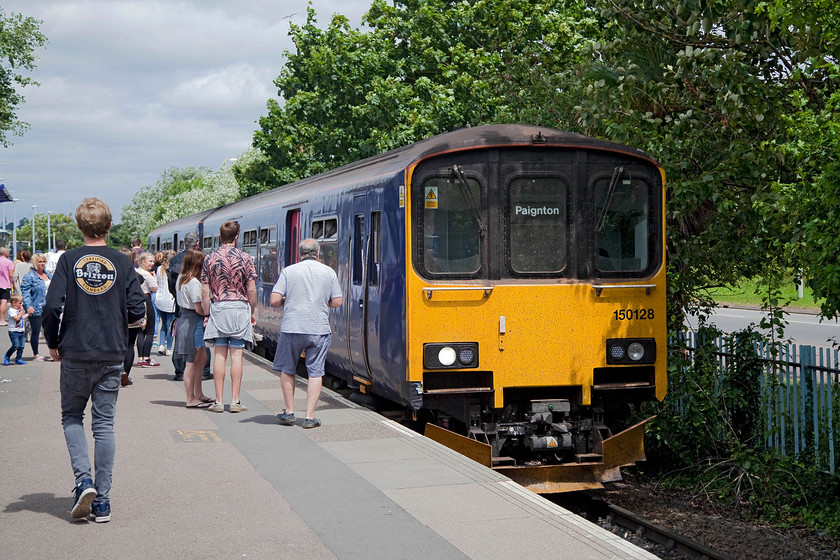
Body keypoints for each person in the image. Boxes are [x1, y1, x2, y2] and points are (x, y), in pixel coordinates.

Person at [43, 197, 146, 523]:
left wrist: (53, 342)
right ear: (109, 225)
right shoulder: (122, 261)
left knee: (72, 417)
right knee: (103, 426)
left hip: (75, 351)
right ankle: (102, 502)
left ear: (79, 227)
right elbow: (137, 309)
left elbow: (50, 307)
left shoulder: (69, 260)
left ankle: (83, 480)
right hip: (112, 353)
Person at [271, 238, 342, 428]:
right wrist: (321, 302)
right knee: (315, 372)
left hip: (292, 327)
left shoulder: (289, 271)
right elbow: (337, 301)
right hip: (318, 328)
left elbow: (275, 300)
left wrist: (288, 299)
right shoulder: (329, 272)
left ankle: (289, 412)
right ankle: (310, 417)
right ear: (318, 253)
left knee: (287, 369)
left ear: (300, 253)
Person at [201, 221, 257, 413]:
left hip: (219, 308)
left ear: (220, 236)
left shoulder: (209, 258)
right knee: (237, 354)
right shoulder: (246, 258)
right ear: (236, 236)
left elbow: (204, 290)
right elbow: (251, 289)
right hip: (239, 307)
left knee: (219, 354)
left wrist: (207, 313)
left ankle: (217, 401)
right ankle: (235, 401)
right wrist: (252, 311)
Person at [167, 233, 210, 382]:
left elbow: (170, 284)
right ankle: (204, 371)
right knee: (198, 346)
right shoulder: (194, 280)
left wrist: (178, 296)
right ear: (197, 243)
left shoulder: (175, 262)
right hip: (194, 310)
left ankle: (179, 370)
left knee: (181, 338)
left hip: (181, 305)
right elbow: (198, 306)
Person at [175, 248, 212, 408]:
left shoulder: (181, 279)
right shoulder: (194, 283)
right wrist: (210, 313)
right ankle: (191, 398)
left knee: (200, 359)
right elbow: (198, 309)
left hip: (185, 320)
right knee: (191, 362)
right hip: (193, 322)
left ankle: (198, 394)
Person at [119, 248, 146, 387]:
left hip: (117, 316)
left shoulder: (114, 274)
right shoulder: (136, 276)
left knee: (118, 345)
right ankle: (126, 374)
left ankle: (118, 372)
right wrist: (144, 316)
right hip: (132, 314)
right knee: (130, 345)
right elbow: (141, 296)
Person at [21, 253, 52, 361]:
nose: (42, 264)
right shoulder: (29, 277)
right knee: (36, 331)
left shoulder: (49, 275)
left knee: (50, 330)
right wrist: (28, 306)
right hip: (36, 307)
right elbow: (25, 293)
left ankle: (53, 352)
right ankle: (36, 354)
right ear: (35, 263)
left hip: (50, 307)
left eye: (43, 261)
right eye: (40, 262)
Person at [134, 252, 159, 368]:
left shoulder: (136, 272)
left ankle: (140, 358)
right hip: (146, 300)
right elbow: (155, 289)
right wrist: (154, 277)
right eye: (150, 261)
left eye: (153, 261)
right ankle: (146, 357)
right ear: (143, 261)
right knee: (149, 330)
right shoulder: (147, 275)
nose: (152, 263)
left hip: (136, 301)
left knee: (139, 330)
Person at [154, 250, 176, 355]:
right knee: (170, 326)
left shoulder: (159, 269)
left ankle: (161, 344)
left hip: (160, 299)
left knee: (163, 324)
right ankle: (169, 348)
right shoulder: (173, 270)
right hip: (170, 300)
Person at [4, 294, 28, 365]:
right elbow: (17, 318)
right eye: (20, 303)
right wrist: (21, 311)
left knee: (21, 346)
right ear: (14, 303)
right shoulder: (11, 310)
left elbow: (21, 317)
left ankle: (18, 358)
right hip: (14, 331)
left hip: (21, 331)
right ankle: (7, 356)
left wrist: (28, 314)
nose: (21, 305)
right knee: (15, 345)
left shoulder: (18, 310)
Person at [0, 247, 15, 325]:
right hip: (5, 284)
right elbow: (11, 275)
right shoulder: (8, 262)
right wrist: (13, 284)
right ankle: (2, 320)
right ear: (5, 253)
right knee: (4, 302)